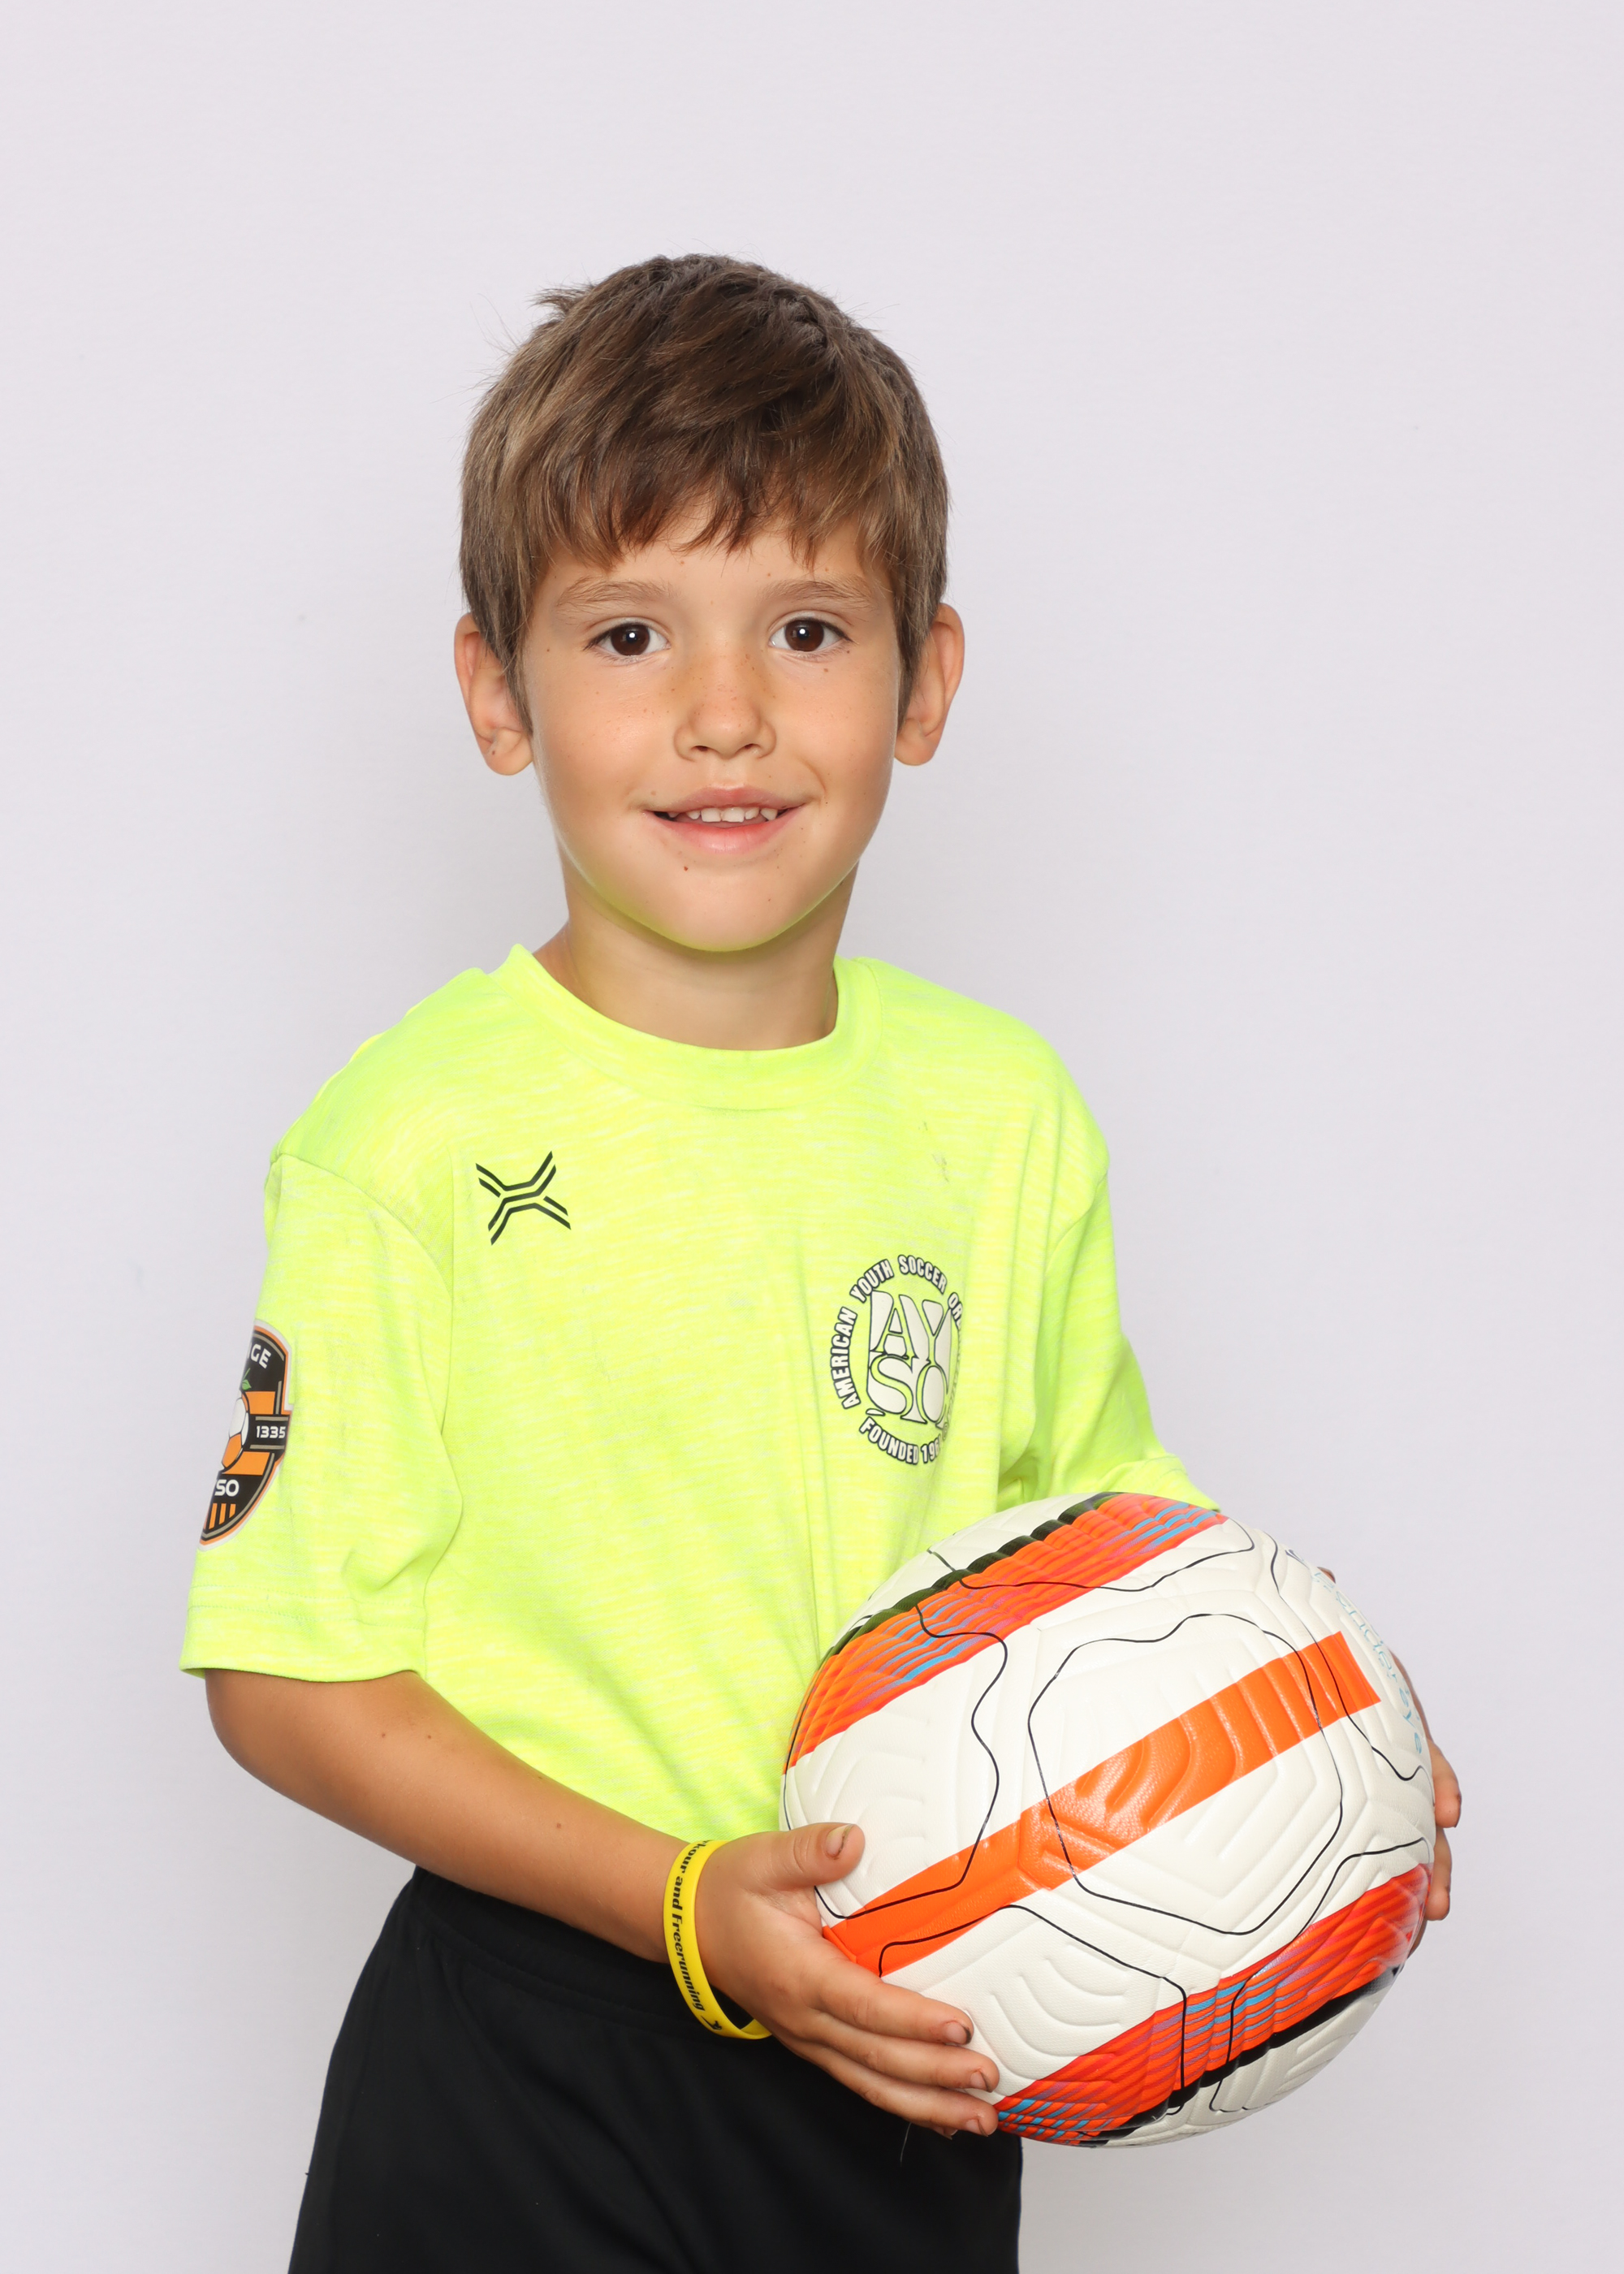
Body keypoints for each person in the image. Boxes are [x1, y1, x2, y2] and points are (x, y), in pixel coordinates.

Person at [182, 254, 1459, 2273]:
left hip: (912, 2042)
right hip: (526, 2055)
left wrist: (1324, 1743)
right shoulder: (407, 1136)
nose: (726, 713)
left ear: (923, 682)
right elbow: (285, 1672)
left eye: (806, 628)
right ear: (498, 693)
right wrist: (681, 1897)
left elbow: (1114, 1547)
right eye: (628, 632)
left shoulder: (997, 1109)